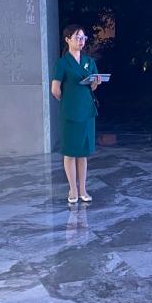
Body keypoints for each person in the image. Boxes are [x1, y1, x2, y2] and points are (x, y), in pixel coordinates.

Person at [50, 24, 102, 203]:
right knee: (70, 151)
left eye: (83, 38)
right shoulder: (62, 63)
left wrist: (95, 82)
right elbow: (55, 89)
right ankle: (72, 189)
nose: (81, 41)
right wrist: (68, 99)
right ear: (67, 40)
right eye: (77, 37)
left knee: (83, 152)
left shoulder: (89, 61)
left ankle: (83, 189)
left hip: (86, 110)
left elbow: (92, 86)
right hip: (70, 111)